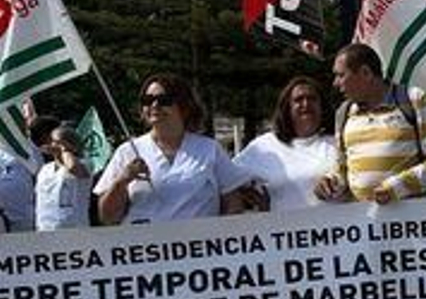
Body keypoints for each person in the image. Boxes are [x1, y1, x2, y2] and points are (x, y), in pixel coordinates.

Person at [95, 74, 251, 225]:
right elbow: (108, 218)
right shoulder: (127, 151)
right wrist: (122, 181)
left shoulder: (209, 149)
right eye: (147, 100)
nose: (154, 106)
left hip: (199, 246)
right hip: (145, 247)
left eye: (164, 100)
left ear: (184, 106)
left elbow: (233, 204)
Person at [315, 44, 426, 204]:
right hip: (365, 222)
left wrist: (397, 188)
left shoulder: (414, 99)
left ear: (365, 73)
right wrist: (331, 182)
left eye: (341, 75)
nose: (335, 83)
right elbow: (342, 168)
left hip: (414, 220)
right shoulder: (344, 112)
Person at [235, 77, 338, 212]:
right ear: (287, 107)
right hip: (282, 230)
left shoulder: (338, 141)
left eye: (312, 99)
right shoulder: (264, 146)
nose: (306, 104)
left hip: (336, 230)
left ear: (322, 106)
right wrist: (251, 200)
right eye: (298, 100)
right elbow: (227, 180)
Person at [35, 122, 91, 230]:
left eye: (55, 141)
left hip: (73, 228)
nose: (51, 144)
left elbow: (72, 168)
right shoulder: (45, 169)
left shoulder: (85, 164)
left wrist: (65, 149)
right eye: (50, 141)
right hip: (45, 227)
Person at [0, 117, 53, 232]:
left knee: (23, 246)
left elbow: (39, 173)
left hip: (23, 211)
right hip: (3, 211)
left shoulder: (30, 148)